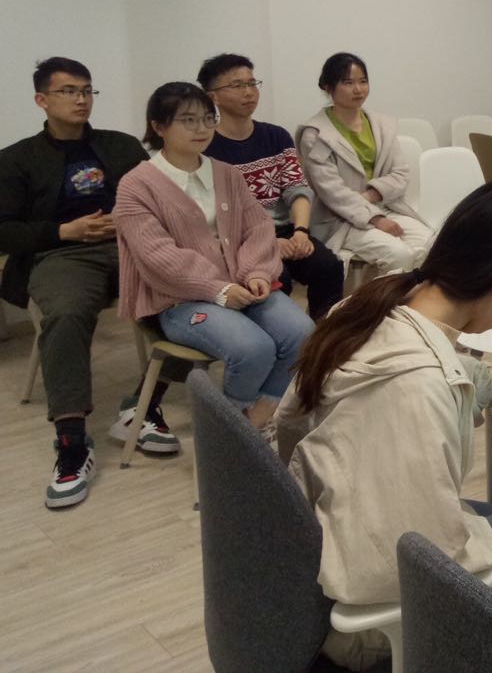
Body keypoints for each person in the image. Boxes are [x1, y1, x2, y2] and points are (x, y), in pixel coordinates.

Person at [278, 181, 492, 671]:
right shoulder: (418, 387)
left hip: (321, 546)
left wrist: (483, 381)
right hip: (372, 613)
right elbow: (426, 568)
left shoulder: (366, 307)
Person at [1, 57, 184, 508]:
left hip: (129, 245)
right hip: (60, 253)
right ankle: (71, 442)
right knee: (66, 313)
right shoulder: (16, 159)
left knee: (190, 293)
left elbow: (160, 198)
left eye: (86, 90)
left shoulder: (120, 146)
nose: (81, 99)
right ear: (41, 100)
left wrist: (128, 221)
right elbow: (4, 230)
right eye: (68, 91)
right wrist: (64, 231)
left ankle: (143, 405)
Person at [113, 82, 313, 435]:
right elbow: (157, 256)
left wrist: (257, 273)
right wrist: (219, 290)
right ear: (158, 127)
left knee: (303, 334)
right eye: (188, 120)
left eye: (208, 118)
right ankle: (225, 433)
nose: (202, 128)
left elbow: (258, 228)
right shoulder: (136, 185)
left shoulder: (226, 173)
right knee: (252, 348)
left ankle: (256, 419)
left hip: (244, 286)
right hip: (179, 299)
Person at [199, 53, 345, 320]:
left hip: (286, 230)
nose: (249, 92)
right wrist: (267, 242)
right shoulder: (206, 148)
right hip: (240, 239)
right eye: (237, 85)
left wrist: (301, 232)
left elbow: (296, 188)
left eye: (252, 83)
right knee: (279, 277)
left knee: (328, 266)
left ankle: (324, 336)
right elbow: (215, 215)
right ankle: (283, 339)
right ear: (213, 97)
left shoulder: (276, 136)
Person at [297, 52, 432, 273]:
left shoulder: (382, 125)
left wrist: (370, 196)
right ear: (328, 87)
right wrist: (375, 218)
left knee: (432, 244)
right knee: (399, 254)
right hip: (341, 219)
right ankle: (383, 296)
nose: (358, 89)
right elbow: (332, 192)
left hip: (385, 205)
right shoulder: (316, 135)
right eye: (348, 82)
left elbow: (400, 173)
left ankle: (410, 294)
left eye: (363, 81)